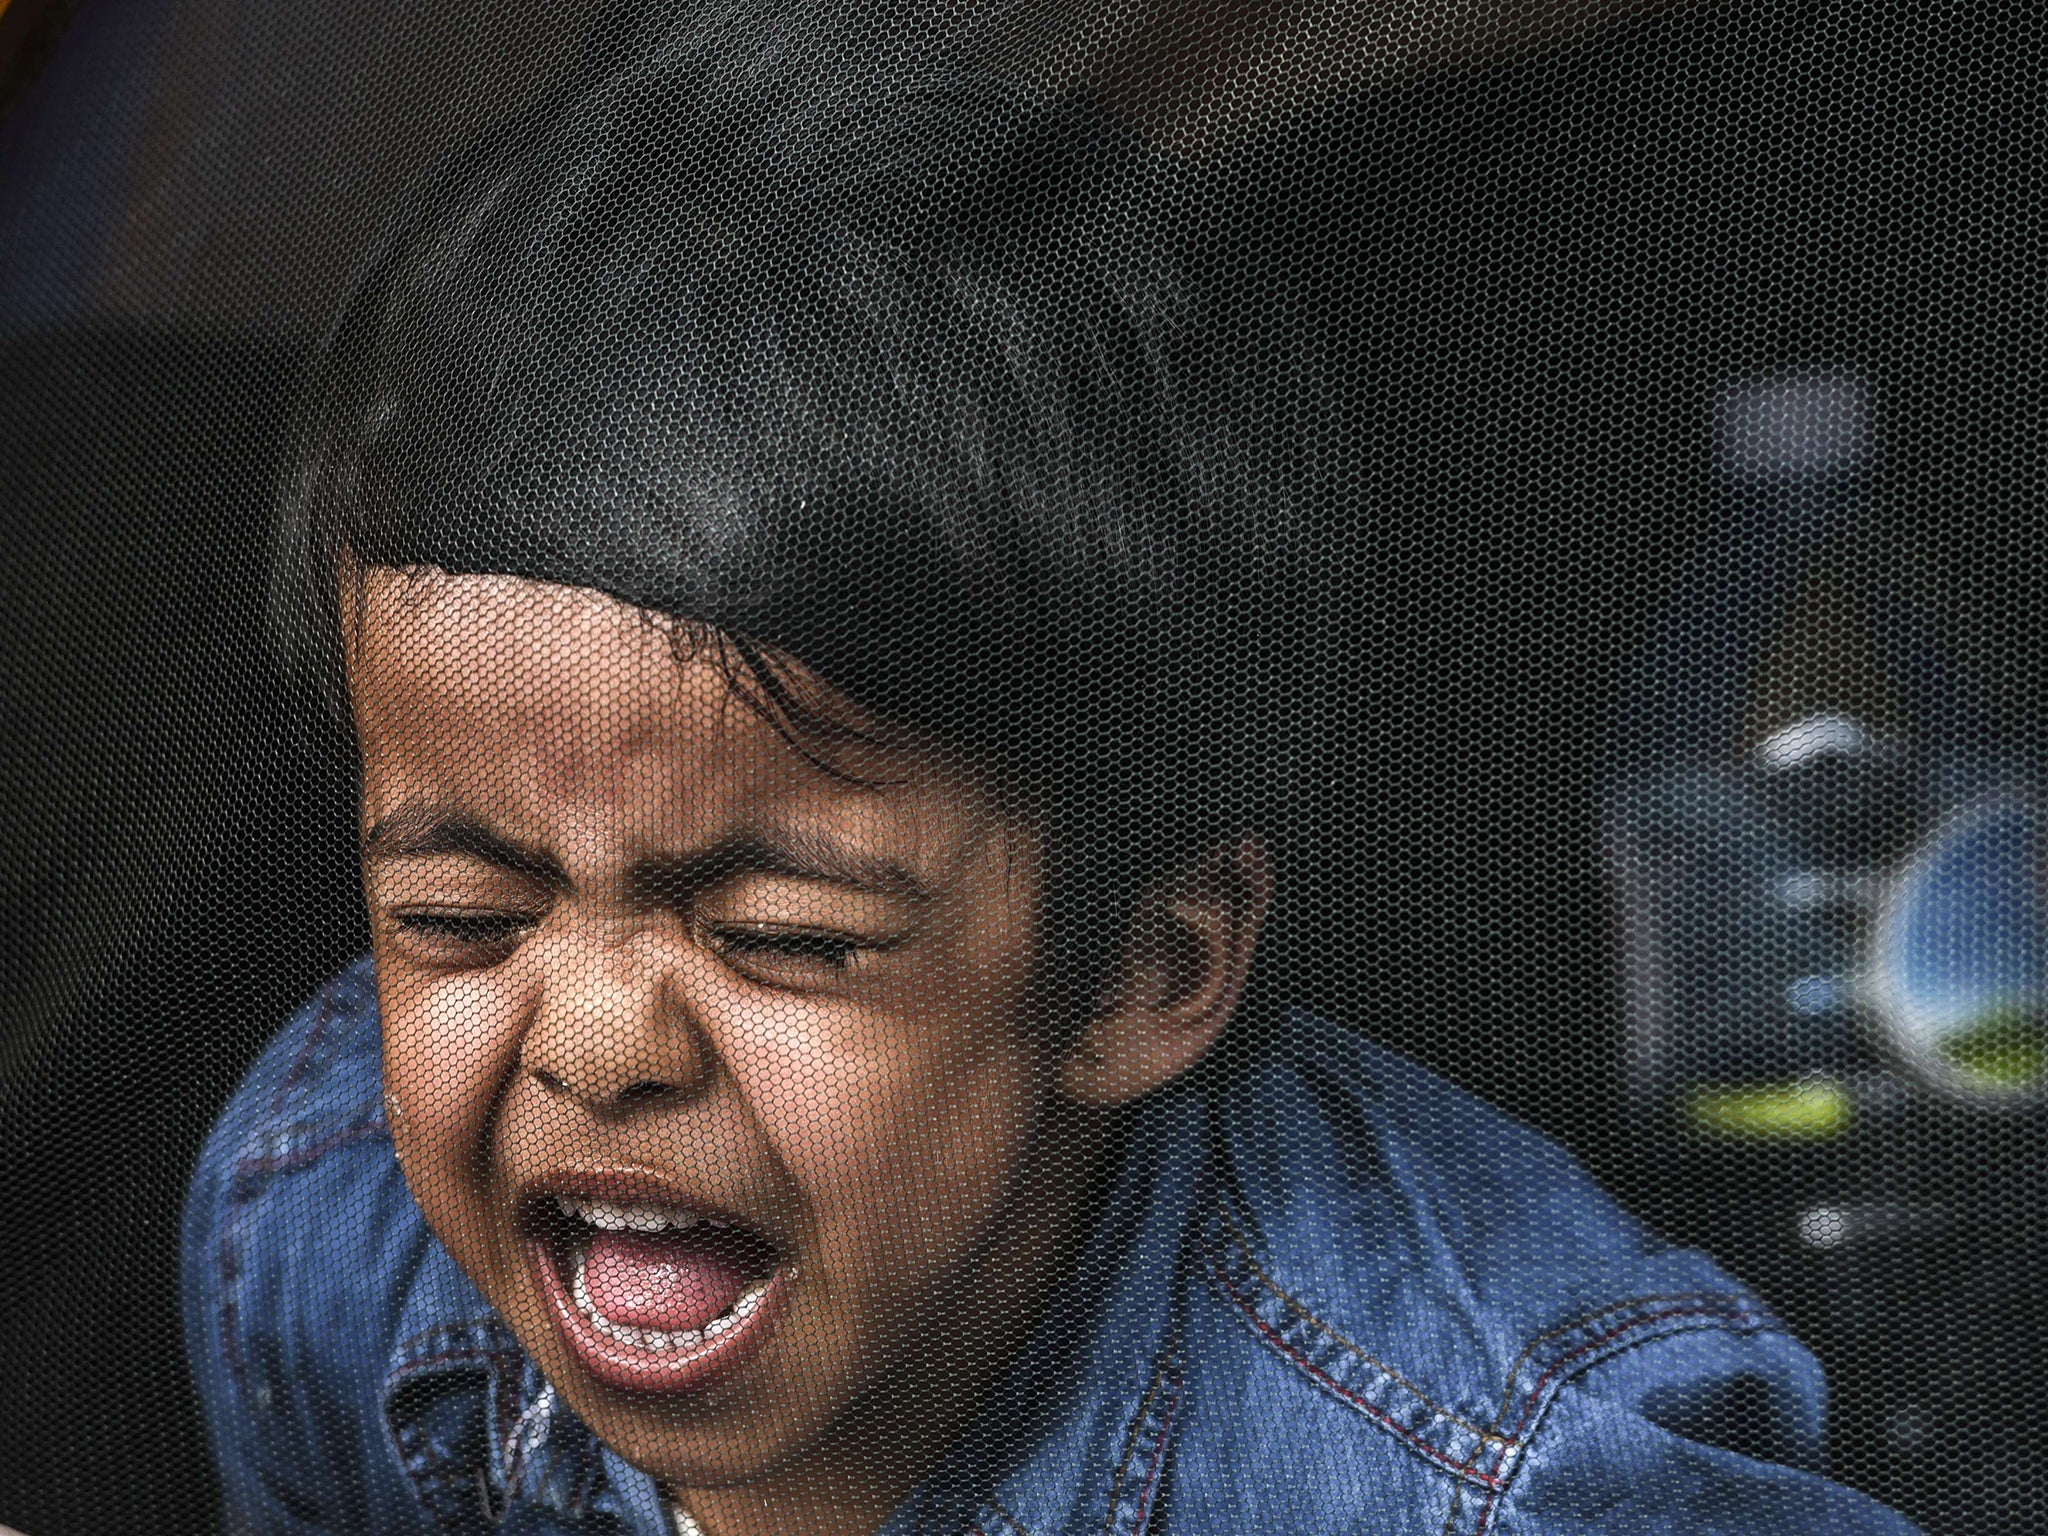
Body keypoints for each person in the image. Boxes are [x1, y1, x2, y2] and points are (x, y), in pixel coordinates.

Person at [183, 4, 1918, 1531]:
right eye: (463, 913)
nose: (596, 1043)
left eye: (784, 936)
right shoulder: (324, 1222)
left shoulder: (1502, 1481)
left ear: (1141, 972)